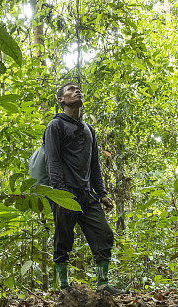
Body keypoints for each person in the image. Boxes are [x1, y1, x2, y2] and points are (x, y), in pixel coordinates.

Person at [45, 82, 121, 294]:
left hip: (87, 194)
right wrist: (61, 197)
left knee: (104, 235)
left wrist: (102, 193)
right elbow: (53, 162)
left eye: (78, 89)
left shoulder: (89, 129)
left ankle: (103, 283)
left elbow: (94, 164)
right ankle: (64, 287)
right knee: (63, 239)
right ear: (61, 100)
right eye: (70, 90)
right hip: (64, 192)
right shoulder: (55, 126)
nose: (76, 91)